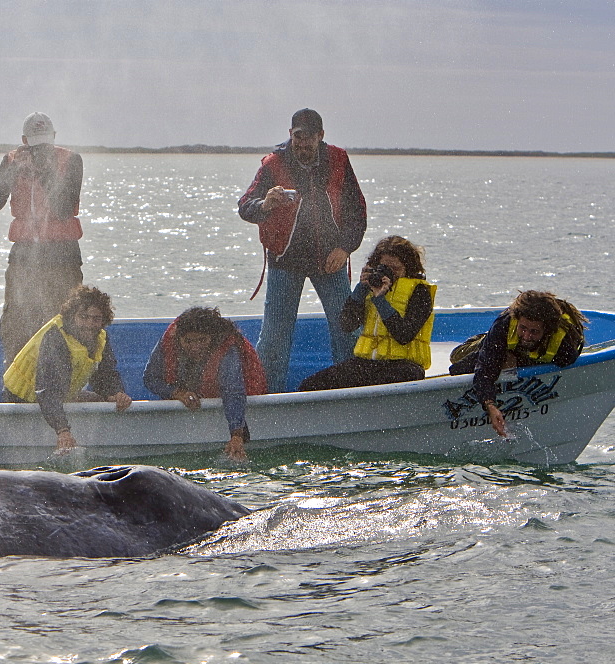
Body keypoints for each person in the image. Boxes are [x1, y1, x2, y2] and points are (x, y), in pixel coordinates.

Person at [238, 108, 367, 392]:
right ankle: (269, 397)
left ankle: (352, 392)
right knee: (273, 338)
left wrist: (345, 248)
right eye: (298, 137)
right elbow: (245, 206)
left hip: (329, 260)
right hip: (286, 261)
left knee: (347, 329)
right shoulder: (272, 164)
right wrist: (265, 205)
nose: (303, 143)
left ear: (321, 136)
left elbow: (357, 210)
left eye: (309, 137)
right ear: (290, 135)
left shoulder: (338, 160)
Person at [0, 112, 85, 367]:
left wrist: (45, 171)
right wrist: (10, 174)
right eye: (35, 144)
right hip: (24, 256)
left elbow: (63, 208)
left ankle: (63, 380)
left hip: (62, 256)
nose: (40, 149)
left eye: (45, 143)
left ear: (54, 138)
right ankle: (16, 378)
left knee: (66, 318)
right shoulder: (12, 161)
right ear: (24, 140)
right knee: (16, 320)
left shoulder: (71, 161)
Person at [2, 285, 132, 454]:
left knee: (99, 399)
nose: (89, 324)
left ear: (104, 320)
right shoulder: (56, 338)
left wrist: (115, 393)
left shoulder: (100, 337)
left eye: (96, 319)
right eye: (83, 317)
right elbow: (46, 390)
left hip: (58, 394)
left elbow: (105, 373)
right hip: (22, 398)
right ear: (72, 316)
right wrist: (62, 430)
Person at [298, 236, 436, 391]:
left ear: (408, 268)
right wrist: (360, 289)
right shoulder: (369, 287)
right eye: (385, 268)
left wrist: (380, 300)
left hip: (404, 366)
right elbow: (347, 325)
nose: (390, 274)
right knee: (310, 385)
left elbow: (403, 335)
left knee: (387, 381)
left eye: (396, 269)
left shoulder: (420, 291)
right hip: (368, 363)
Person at [449, 291, 587, 437]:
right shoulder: (504, 324)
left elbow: (568, 361)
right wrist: (490, 405)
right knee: (458, 365)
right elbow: (484, 371)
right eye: (523, 328)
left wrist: (518, 361)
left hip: (520, 353)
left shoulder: (566, 344)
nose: (527, 336)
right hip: (496, 344)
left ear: (547, 331)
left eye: (534, 331)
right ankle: (483, 338)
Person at [143, 306, 267, 462]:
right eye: (188, 341)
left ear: (212, 337)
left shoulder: (227, 347)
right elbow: (150, 378)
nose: (195, 347)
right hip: (193, 385)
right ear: (179, 338)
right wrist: (177, 393)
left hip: (242, 389)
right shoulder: (170, 337)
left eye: (202, 340)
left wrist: (236, 435)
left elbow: (233, 391)